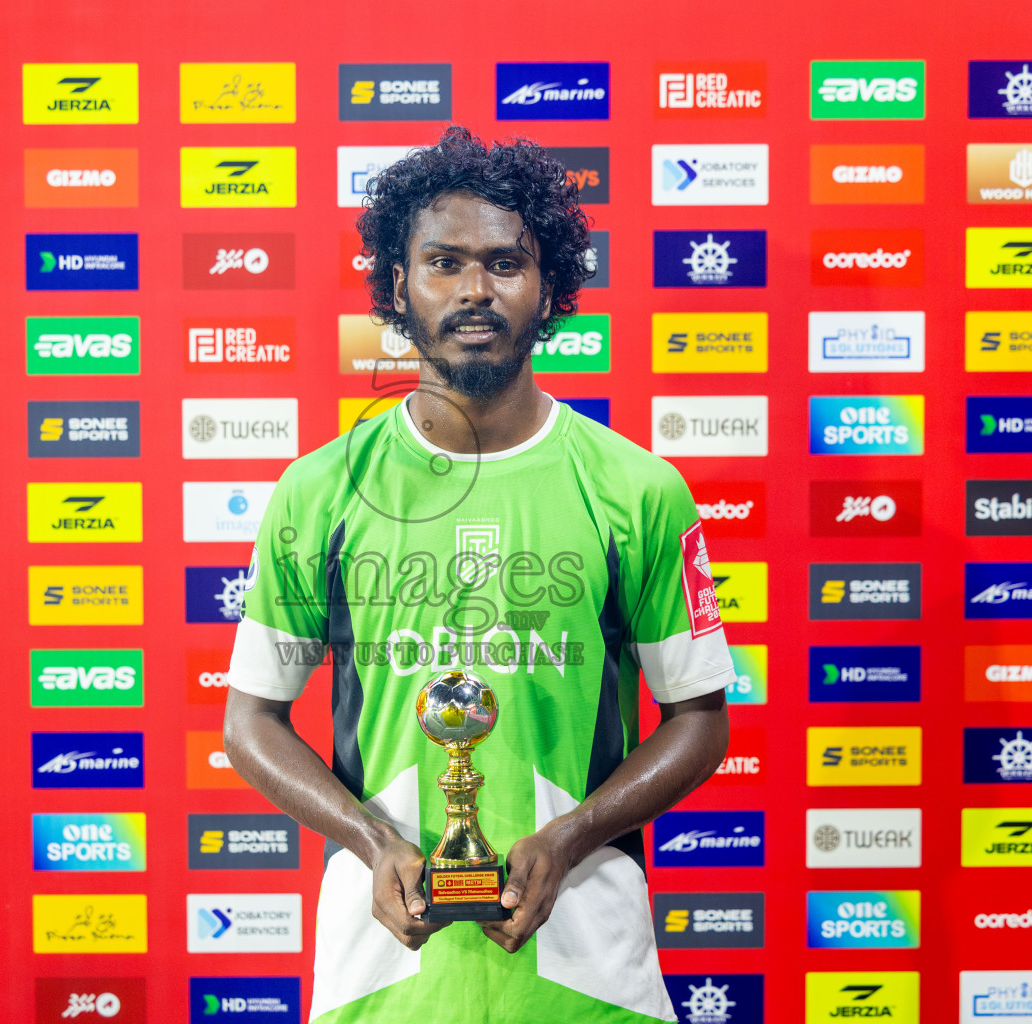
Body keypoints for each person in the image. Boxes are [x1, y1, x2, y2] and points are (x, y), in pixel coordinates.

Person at [222, 125, 734, 1024]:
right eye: (443, 262)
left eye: (504, 263)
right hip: (381, 982)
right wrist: (370, 840)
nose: (473, 290)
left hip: (586, 974)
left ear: (550, 289)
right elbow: (251, 719)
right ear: (397, 286)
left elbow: (697, 718)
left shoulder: (637, 489)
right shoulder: (320, 490)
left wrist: (571, 837)